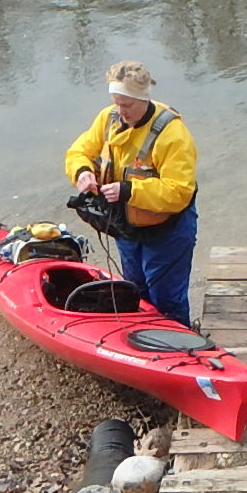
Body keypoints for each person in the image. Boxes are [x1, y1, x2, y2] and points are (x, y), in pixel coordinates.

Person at [65, 60, 200, 326]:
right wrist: (82, 172)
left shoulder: (173, 135)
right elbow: (79, 151)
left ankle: (181, 345)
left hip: (168, 232)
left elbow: (179, 192)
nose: (120, 111)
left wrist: (129, 190)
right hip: (126, 229)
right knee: (136, 292)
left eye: (126, 105)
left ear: (143, 99)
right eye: (116, 103)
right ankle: (144, 342)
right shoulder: (108, 119)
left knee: (167, 300)